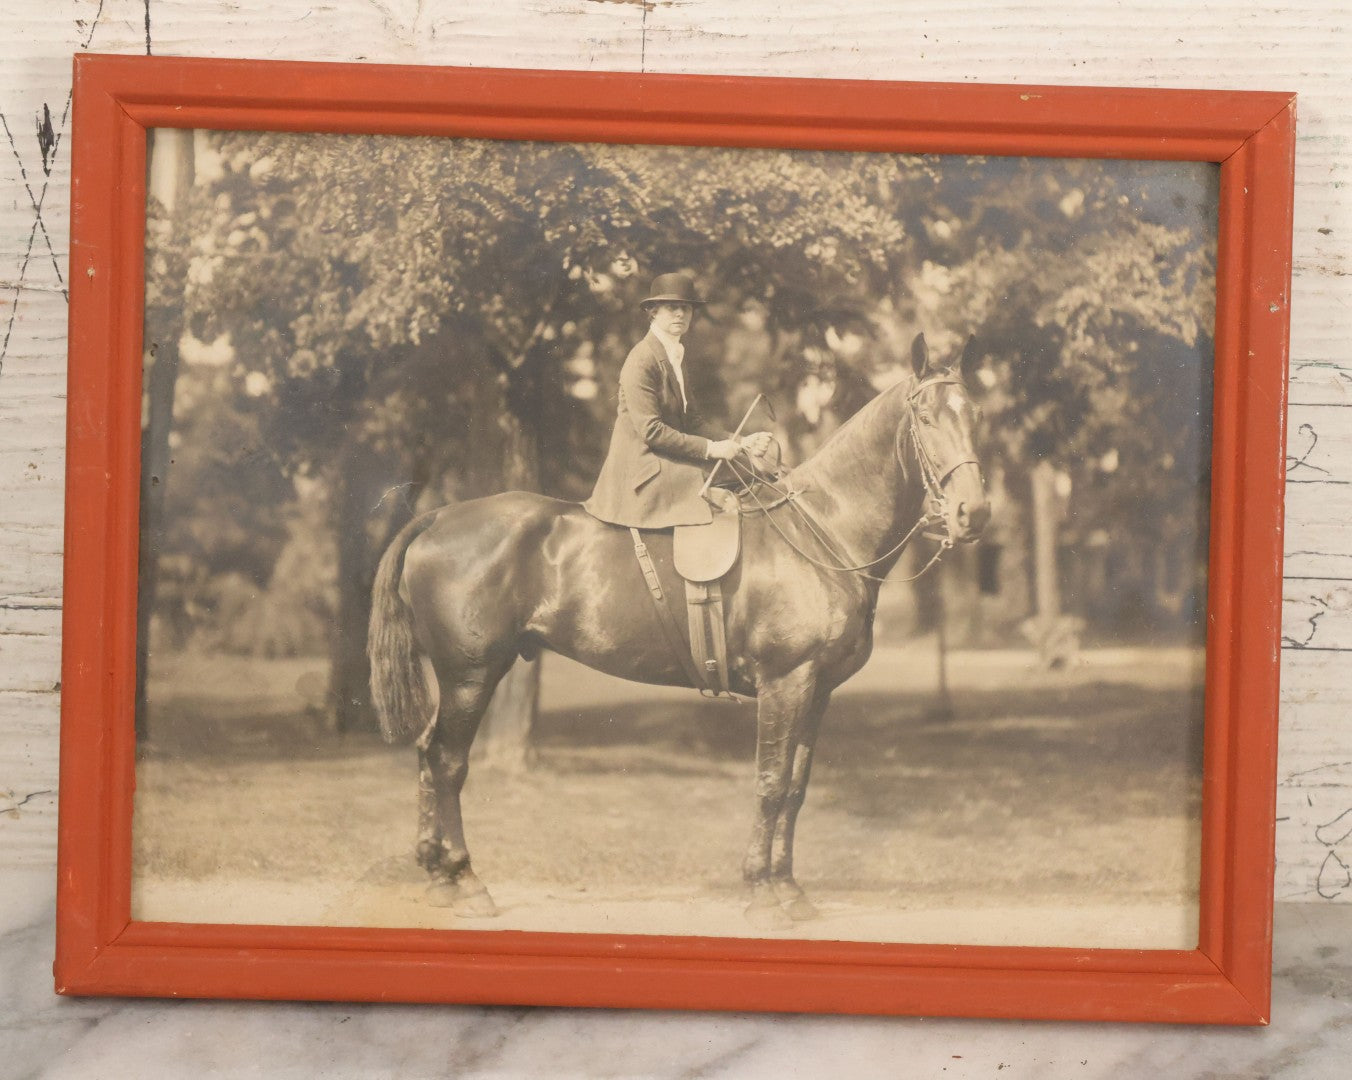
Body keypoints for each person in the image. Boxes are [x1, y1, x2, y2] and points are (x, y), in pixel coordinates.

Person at [584, 273, 774, 529]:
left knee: (748, 466)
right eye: (672, 308)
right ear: (653, 312)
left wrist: (740, 443)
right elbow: (652, 431)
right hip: (640, 469)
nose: (680, 315)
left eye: (686, 308)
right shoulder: (642, 359)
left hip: (666, 459)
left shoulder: (675, 355)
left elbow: (693, 422)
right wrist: (712, 449)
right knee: (725, 482)